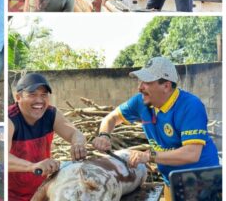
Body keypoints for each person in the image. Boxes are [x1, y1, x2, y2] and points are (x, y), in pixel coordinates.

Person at [92, 56, 220, 201]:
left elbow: (191, 153)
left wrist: (150, 155)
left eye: (146, 82)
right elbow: (112, 118)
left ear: (166, 86)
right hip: (171, 183)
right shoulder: (140, 102)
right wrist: (104, 135)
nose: (140, 87)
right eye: (140, 81)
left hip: (202, 185)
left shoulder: (190, 105)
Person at [8, 73, 88, 200]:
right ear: (18, 97)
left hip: (42, 192)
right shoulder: (9, 119)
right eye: (32, 94)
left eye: (44, 95)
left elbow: (75, 133)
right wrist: (32, 166)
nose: (39, 100)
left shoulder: (51, 113)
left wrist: (78, 143)